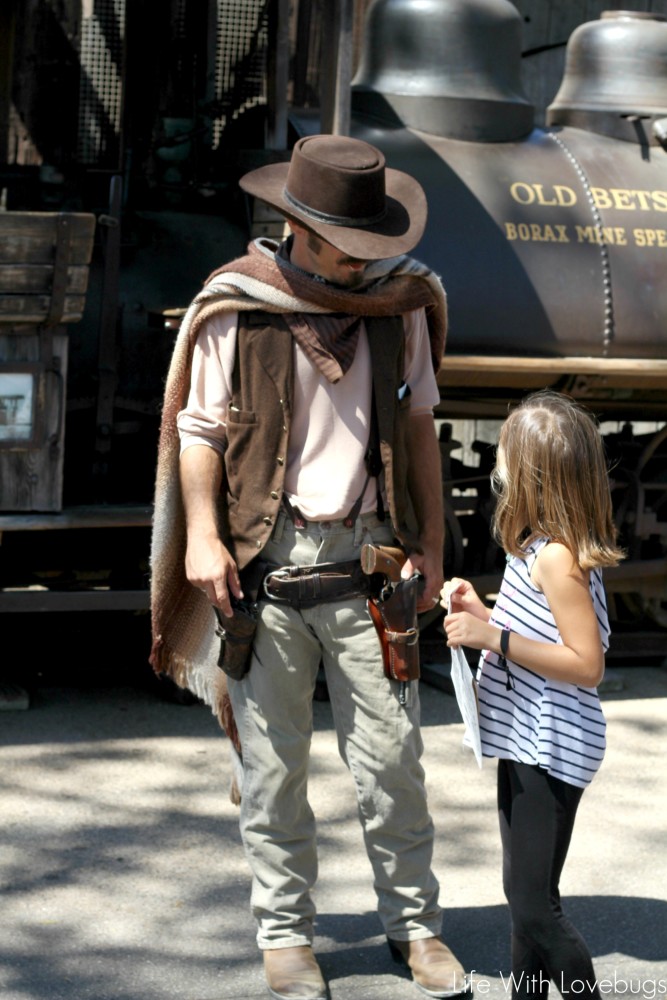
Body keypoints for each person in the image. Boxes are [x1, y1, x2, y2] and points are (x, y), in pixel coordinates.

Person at [149, 134, 468, 1000]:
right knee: (273, 763)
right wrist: (202, 537)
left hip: (372, 564)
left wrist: (433, 543)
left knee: (393, 760)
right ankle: (286, 932)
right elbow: (198, 432)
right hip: (265, 562)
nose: (363, 264)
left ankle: (416, 926)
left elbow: (417, 430)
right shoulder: (239, 304)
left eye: (372, 248)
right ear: (296, 227)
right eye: (345, 249)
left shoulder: (399, 304)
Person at [441, 389, 625, 1000]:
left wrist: (491, 634)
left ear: (531, 474)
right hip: (527, 738)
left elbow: (586, 664)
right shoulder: (535, 548)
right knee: (522, 900)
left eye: (505, 456)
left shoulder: (558, 559)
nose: (496, 467)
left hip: (552, 746)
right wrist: (482, 609)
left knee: (535, 905)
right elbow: (541, 633)